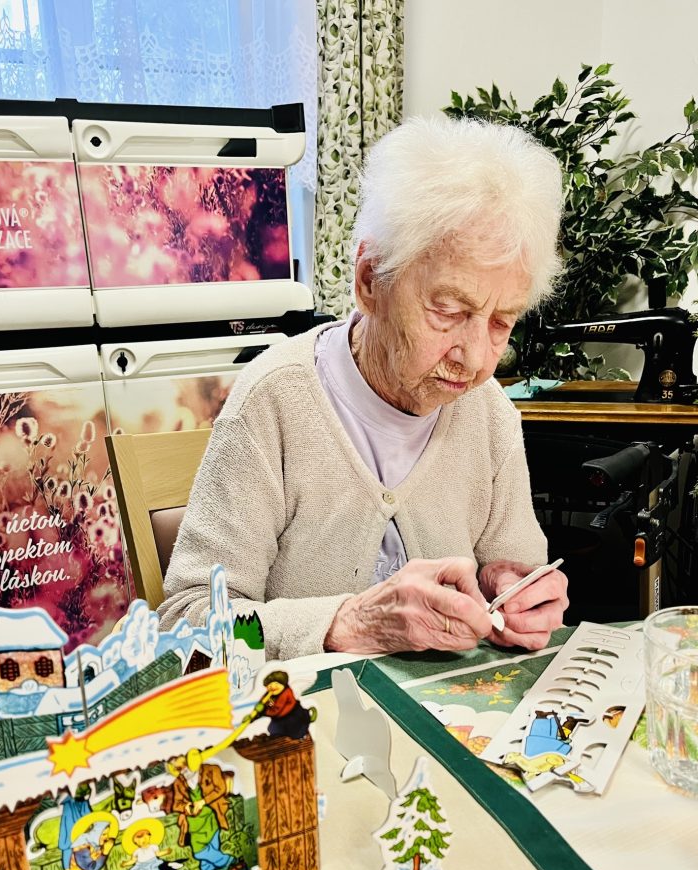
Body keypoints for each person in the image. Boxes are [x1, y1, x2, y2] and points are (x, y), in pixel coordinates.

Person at [159, 116, 569, 660]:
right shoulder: (273, 402)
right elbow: (186, 628)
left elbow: (520, 574)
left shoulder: (489, 413)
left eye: (501, 322)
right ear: (370, 280)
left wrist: (516, 595)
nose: (474, 359)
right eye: (449, 310)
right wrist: (347, 624)